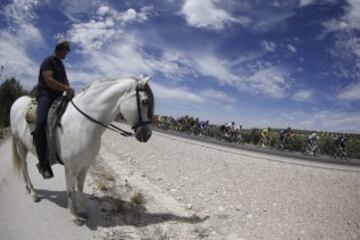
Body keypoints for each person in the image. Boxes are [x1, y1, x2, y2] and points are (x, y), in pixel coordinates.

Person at [33, 40, 75, 179]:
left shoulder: (61, 65)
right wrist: (66, 89)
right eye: (66, 51)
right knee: (40, 123)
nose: (67, 54)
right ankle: (43, 163)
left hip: (58, 96)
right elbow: (49, 81)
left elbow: (65, 80)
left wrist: (69, 91)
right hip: (45, 95)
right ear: (59, 49)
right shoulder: (48, 61)